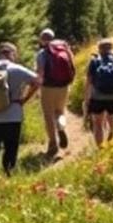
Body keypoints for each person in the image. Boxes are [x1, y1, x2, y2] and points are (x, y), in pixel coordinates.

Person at [0, 42, 40, 176]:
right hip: (13, 115)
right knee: (11, 147)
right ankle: (8, 174)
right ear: (12, 54)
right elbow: (37, 81)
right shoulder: (17, 69)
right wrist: (25, 98)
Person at [82, 37, 113, 147]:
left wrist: (86, 98)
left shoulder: (94, 60)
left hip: (97, 96)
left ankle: (100, 148)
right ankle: (112, 134)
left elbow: (88, 81)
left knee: (97, 123)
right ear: (112, 47)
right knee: (111, 117)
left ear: (99, 48)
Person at [35, 28, 75, 158]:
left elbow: (40, 72)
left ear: (42, 39)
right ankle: (61, 128)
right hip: (63, 86)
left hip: (48, 88)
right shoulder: (65, 49)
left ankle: (53, 144)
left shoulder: (42, 53)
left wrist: (37, 87)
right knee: (60, 111)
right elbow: (72, 67)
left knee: (48, 116)